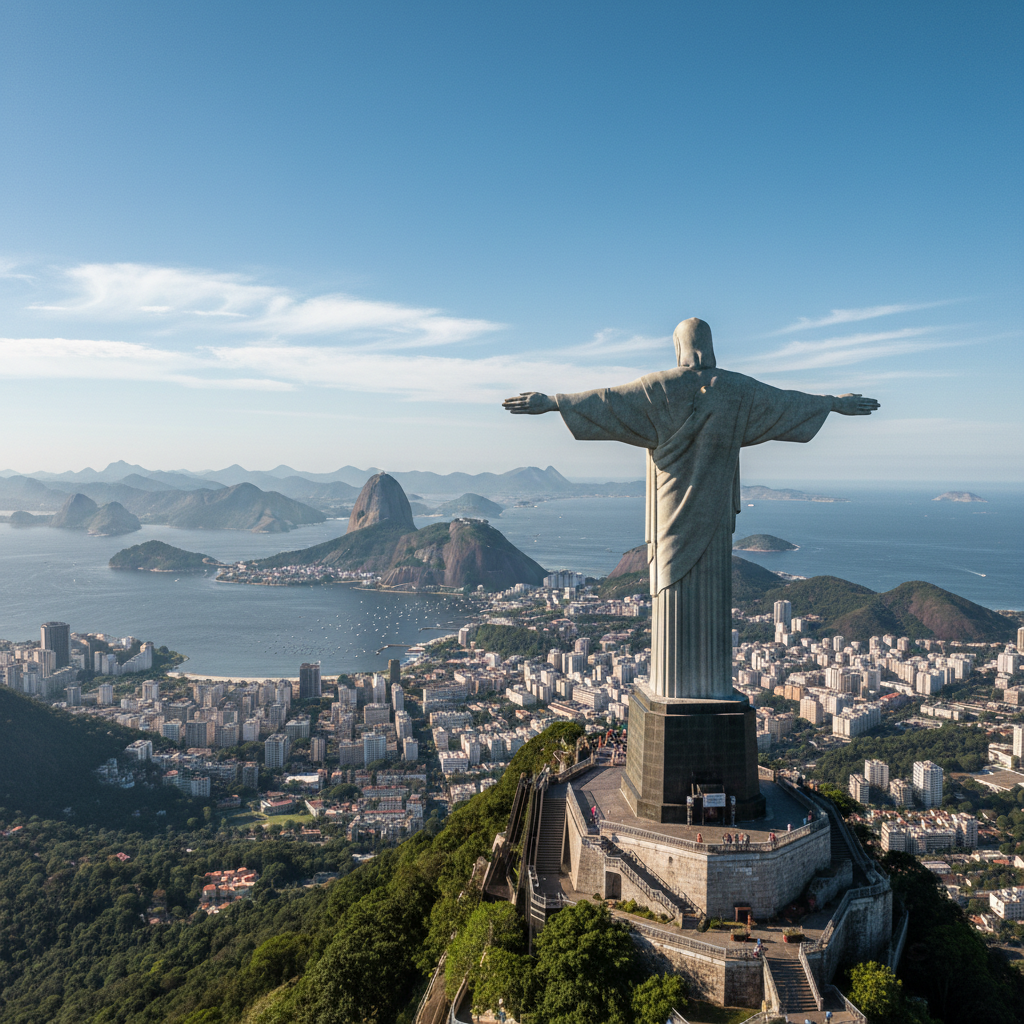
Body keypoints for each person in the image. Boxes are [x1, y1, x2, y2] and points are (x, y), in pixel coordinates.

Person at [503, 318, 879, 698]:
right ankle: (710, 687)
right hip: (714, 513)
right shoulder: (739, 390)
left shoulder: (658, 388)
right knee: (708, 587)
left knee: (671, 584)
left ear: (679, 346)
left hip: (669, 512)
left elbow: (608, 400)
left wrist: (552, 403)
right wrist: (832, 404)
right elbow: (787, 402)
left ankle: (677, 688)